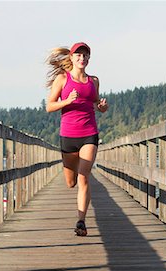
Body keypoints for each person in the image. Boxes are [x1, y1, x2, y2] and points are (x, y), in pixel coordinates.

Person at [45, 42, 108, 236]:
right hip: (68, 136)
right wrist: (68, 101)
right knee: (71, 182)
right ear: (71, 58)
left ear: (89, 59)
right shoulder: (62, 79)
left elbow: (97, 103)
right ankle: (80, 213)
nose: (82, 58)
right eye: (78, 55)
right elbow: (49, 106)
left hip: (89, 133)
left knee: (83, 177)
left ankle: (81, 221)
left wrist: (102, 107)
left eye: (85, 56)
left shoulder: (94, 81)